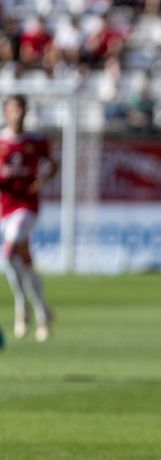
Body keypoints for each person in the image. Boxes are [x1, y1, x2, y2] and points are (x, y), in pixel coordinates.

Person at [0, 95, 57, 342]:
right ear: (6, 112)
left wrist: (43, 180)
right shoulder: (1, 141)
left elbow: (53, 165)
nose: (17, 113)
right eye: (12, 109)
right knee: (23, 262)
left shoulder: (37, 141)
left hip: (27, 206)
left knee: (9, 252)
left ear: (26, 112)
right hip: (5, 208)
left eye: (20, 108)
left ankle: (22, 307)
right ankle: (43, 310)